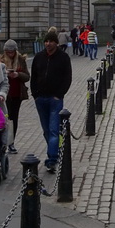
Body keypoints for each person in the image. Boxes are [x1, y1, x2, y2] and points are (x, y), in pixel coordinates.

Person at [30, 29, 73, 173]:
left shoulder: (63, 58)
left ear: (56, 42)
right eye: (46, 41)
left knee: (54, 130)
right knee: (46, 130)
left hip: (55, 99)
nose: (48, 44)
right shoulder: (39, 57)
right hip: (40, 99)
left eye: (51, 41)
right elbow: (34, 77)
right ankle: (56, 150)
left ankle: (52, 159)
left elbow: (67, 78)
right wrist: (35, 94)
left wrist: (59, 94)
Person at [0, 39, 30, 155]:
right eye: (8, 52)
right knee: (4, 118)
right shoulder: (0, 60)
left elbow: (27, 76)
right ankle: (2, 142)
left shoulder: (21, 60)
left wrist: (18, 74)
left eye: (12, 52)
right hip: (4, 95)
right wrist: (5, 73)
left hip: (17, 94)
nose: (10, 54)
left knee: (13, 119)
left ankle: (11, 143)